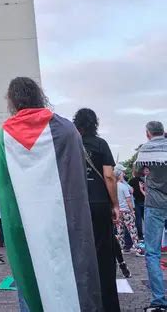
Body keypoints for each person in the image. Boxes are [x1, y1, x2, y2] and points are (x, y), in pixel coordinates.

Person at [0, 79, 102, 312]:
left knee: (30, 274)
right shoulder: (66, 129)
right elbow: (77, 178)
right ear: (39, 96)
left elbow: (5, 188)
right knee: (71, 274)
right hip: (66, 219)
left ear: (12, 101)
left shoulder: (6, 134)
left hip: (27, 222)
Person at [73, 108, 121, 312]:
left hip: (77, 204)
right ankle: (107, 304)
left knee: (80, 254)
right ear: (95, 124)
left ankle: (82, 302)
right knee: (104, 255)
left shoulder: (71, 144)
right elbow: (109, 176)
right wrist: (115, 204)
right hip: (100, 203)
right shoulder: (101, 144)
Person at [136, 121, 167, 311]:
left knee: (153, 253)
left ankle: (159, 301)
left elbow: (137, 171)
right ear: (163, 132)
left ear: (148, 133)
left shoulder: (145, 150)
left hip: (154, 204)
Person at [115, 168, 142, 255]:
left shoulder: (114, 186)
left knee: (120, 231)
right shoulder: (123, 186)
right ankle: (138, 249)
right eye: (122, 173)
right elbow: (129, 200)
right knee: (132, 230)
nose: (124, 174)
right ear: (120, 175)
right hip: (126, 211)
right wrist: (132, 211)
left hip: (118, 211)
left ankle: (121, 248)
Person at [129, 168, 146, 240]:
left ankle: (140, 236)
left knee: (138, 220)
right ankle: (150, 235)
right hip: (145, 201)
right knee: (146, 219)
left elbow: (129, 191)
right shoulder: (143, 180)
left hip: (136, 202)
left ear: (133, 173)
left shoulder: (131, 181)